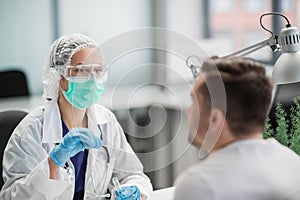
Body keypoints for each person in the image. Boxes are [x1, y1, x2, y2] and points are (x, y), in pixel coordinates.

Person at [0, 33, 153, 200]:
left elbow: (133, 174)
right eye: (82, 70)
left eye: (97, 70)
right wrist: (53, 163)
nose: (93, 79)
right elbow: (13, 197)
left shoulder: (106, 121)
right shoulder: (30, 132)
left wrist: (135, 190)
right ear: (59, 77)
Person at [174, 57, 300, 200]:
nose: (188, 111)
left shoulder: (199, 185)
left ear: (214, 119)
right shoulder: (292, 163)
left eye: (193, 102)